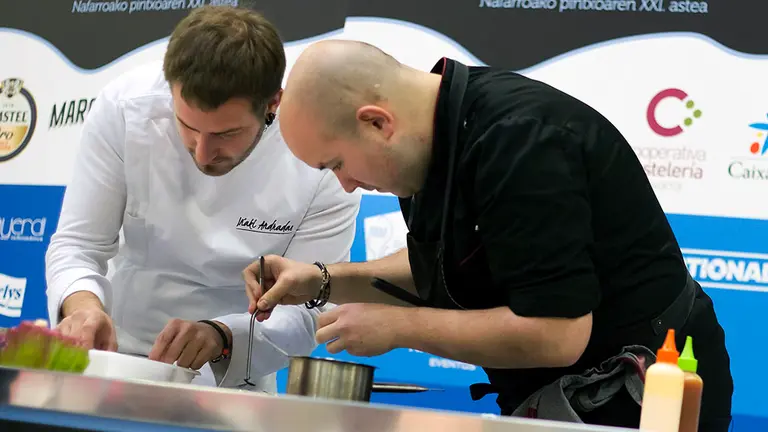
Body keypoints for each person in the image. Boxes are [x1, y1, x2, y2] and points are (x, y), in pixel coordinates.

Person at [244, 40, 733, 429]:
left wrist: (394, 327)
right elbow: (440, 267)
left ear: (377, 122)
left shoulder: (523, 143)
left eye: (337, 164)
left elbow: (557, 332)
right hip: (560, 395)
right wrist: (321, 280)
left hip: (646, 390)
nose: (346, 183)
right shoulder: (429, 142)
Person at [45, 7, 360, 392]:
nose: (202, 153)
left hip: (239, 367)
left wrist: (220, 335)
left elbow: (310, 311)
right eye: (187, 126)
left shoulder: (322, 159)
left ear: (273, 103)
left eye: (226, 133)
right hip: (120, 354)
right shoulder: (124, 109)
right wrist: (83, 308)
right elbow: (78, 245)